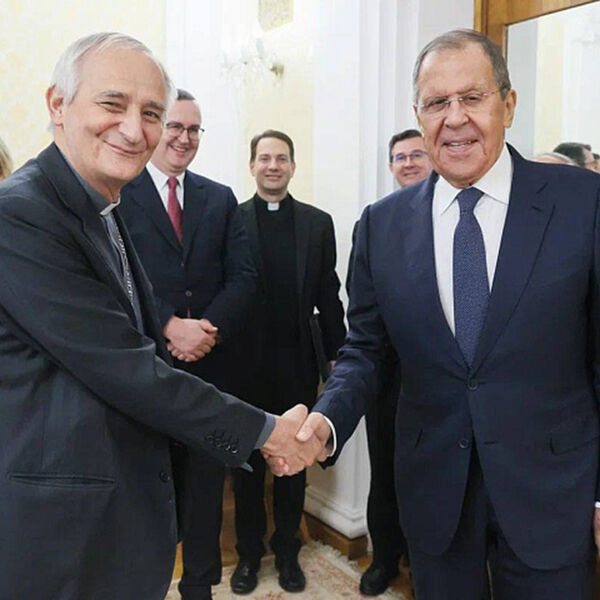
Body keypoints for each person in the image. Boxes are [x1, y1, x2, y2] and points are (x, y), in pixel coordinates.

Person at [280, 29, 600, 599]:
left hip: (554, 491)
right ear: (418, 116)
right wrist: (326, 422)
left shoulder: (582, 202)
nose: (455, 119)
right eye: (436, 102)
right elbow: (366, 350)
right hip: (435, 493)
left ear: (508, 104)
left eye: (472, 97)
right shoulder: (381, 224)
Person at [0, 32, 317, 600]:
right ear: (58, 104)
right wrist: (267, 430)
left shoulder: (103, 202)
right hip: (63, 533)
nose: (134, 129)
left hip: (118, 510)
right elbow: (126, 367)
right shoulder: (22, 215)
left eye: (150, 113)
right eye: (112, 103)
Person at [120, 88, 256, 600]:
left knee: (204, 493)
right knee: (144, 493)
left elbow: (244, 277)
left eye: (194, 129)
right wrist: (168, 325)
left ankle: (199, 587)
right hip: (142, 369)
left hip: (210, 370)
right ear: (156, 128)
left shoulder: (219, 198)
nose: (184, 137)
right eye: (175, 126)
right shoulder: (120, 190)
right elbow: (115, 276)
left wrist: (205, 329)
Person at [230, 129, 346, 595]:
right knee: (247, 467)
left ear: (293, 166)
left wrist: (338, 356)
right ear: (252, 166)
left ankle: (287, 553)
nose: (273, 166)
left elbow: (329, 295)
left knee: (293, 464)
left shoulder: (318, 224)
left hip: (296, 364)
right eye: (265, 158)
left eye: (281, 158)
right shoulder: (231, 221)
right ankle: (248, 555)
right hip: (244, 367)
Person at [347, 128, 432, 596]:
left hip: (440, 381)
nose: (409, 163)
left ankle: (424, 561)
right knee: (385, 474)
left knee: (432, 477)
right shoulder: (374, 223)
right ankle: (384, 559)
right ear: (391, 167)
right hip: (387, 379)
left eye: (417, 154)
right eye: (400, 157)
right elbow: (361, 309)